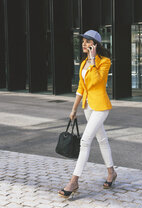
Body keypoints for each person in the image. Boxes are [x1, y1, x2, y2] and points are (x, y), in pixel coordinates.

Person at [58, 30, 117, 198]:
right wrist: (74, 109)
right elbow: (81, 88)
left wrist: (92, 59)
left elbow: (98, 80)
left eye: (87, 41)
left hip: (100, 107)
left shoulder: (104, 62)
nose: (84, 44)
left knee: (85, 141)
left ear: (95, 44)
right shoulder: (83, 64)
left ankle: (73, 181)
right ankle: (111, 172)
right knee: (102, 139)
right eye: (83, 41)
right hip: (88, 106)